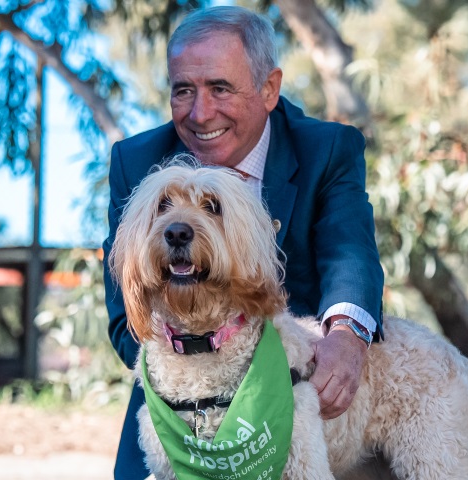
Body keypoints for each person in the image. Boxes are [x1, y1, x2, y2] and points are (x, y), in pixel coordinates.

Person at [102, 6, 384, 478]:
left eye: (220, 88)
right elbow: (124, 316)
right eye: (183, 90)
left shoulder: (327, 149)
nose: (200, 113)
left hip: (300, 394)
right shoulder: (136, 162)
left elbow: (348, 254)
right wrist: (209, 394)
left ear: (269, 89)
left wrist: (346, 337)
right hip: (179, 414)